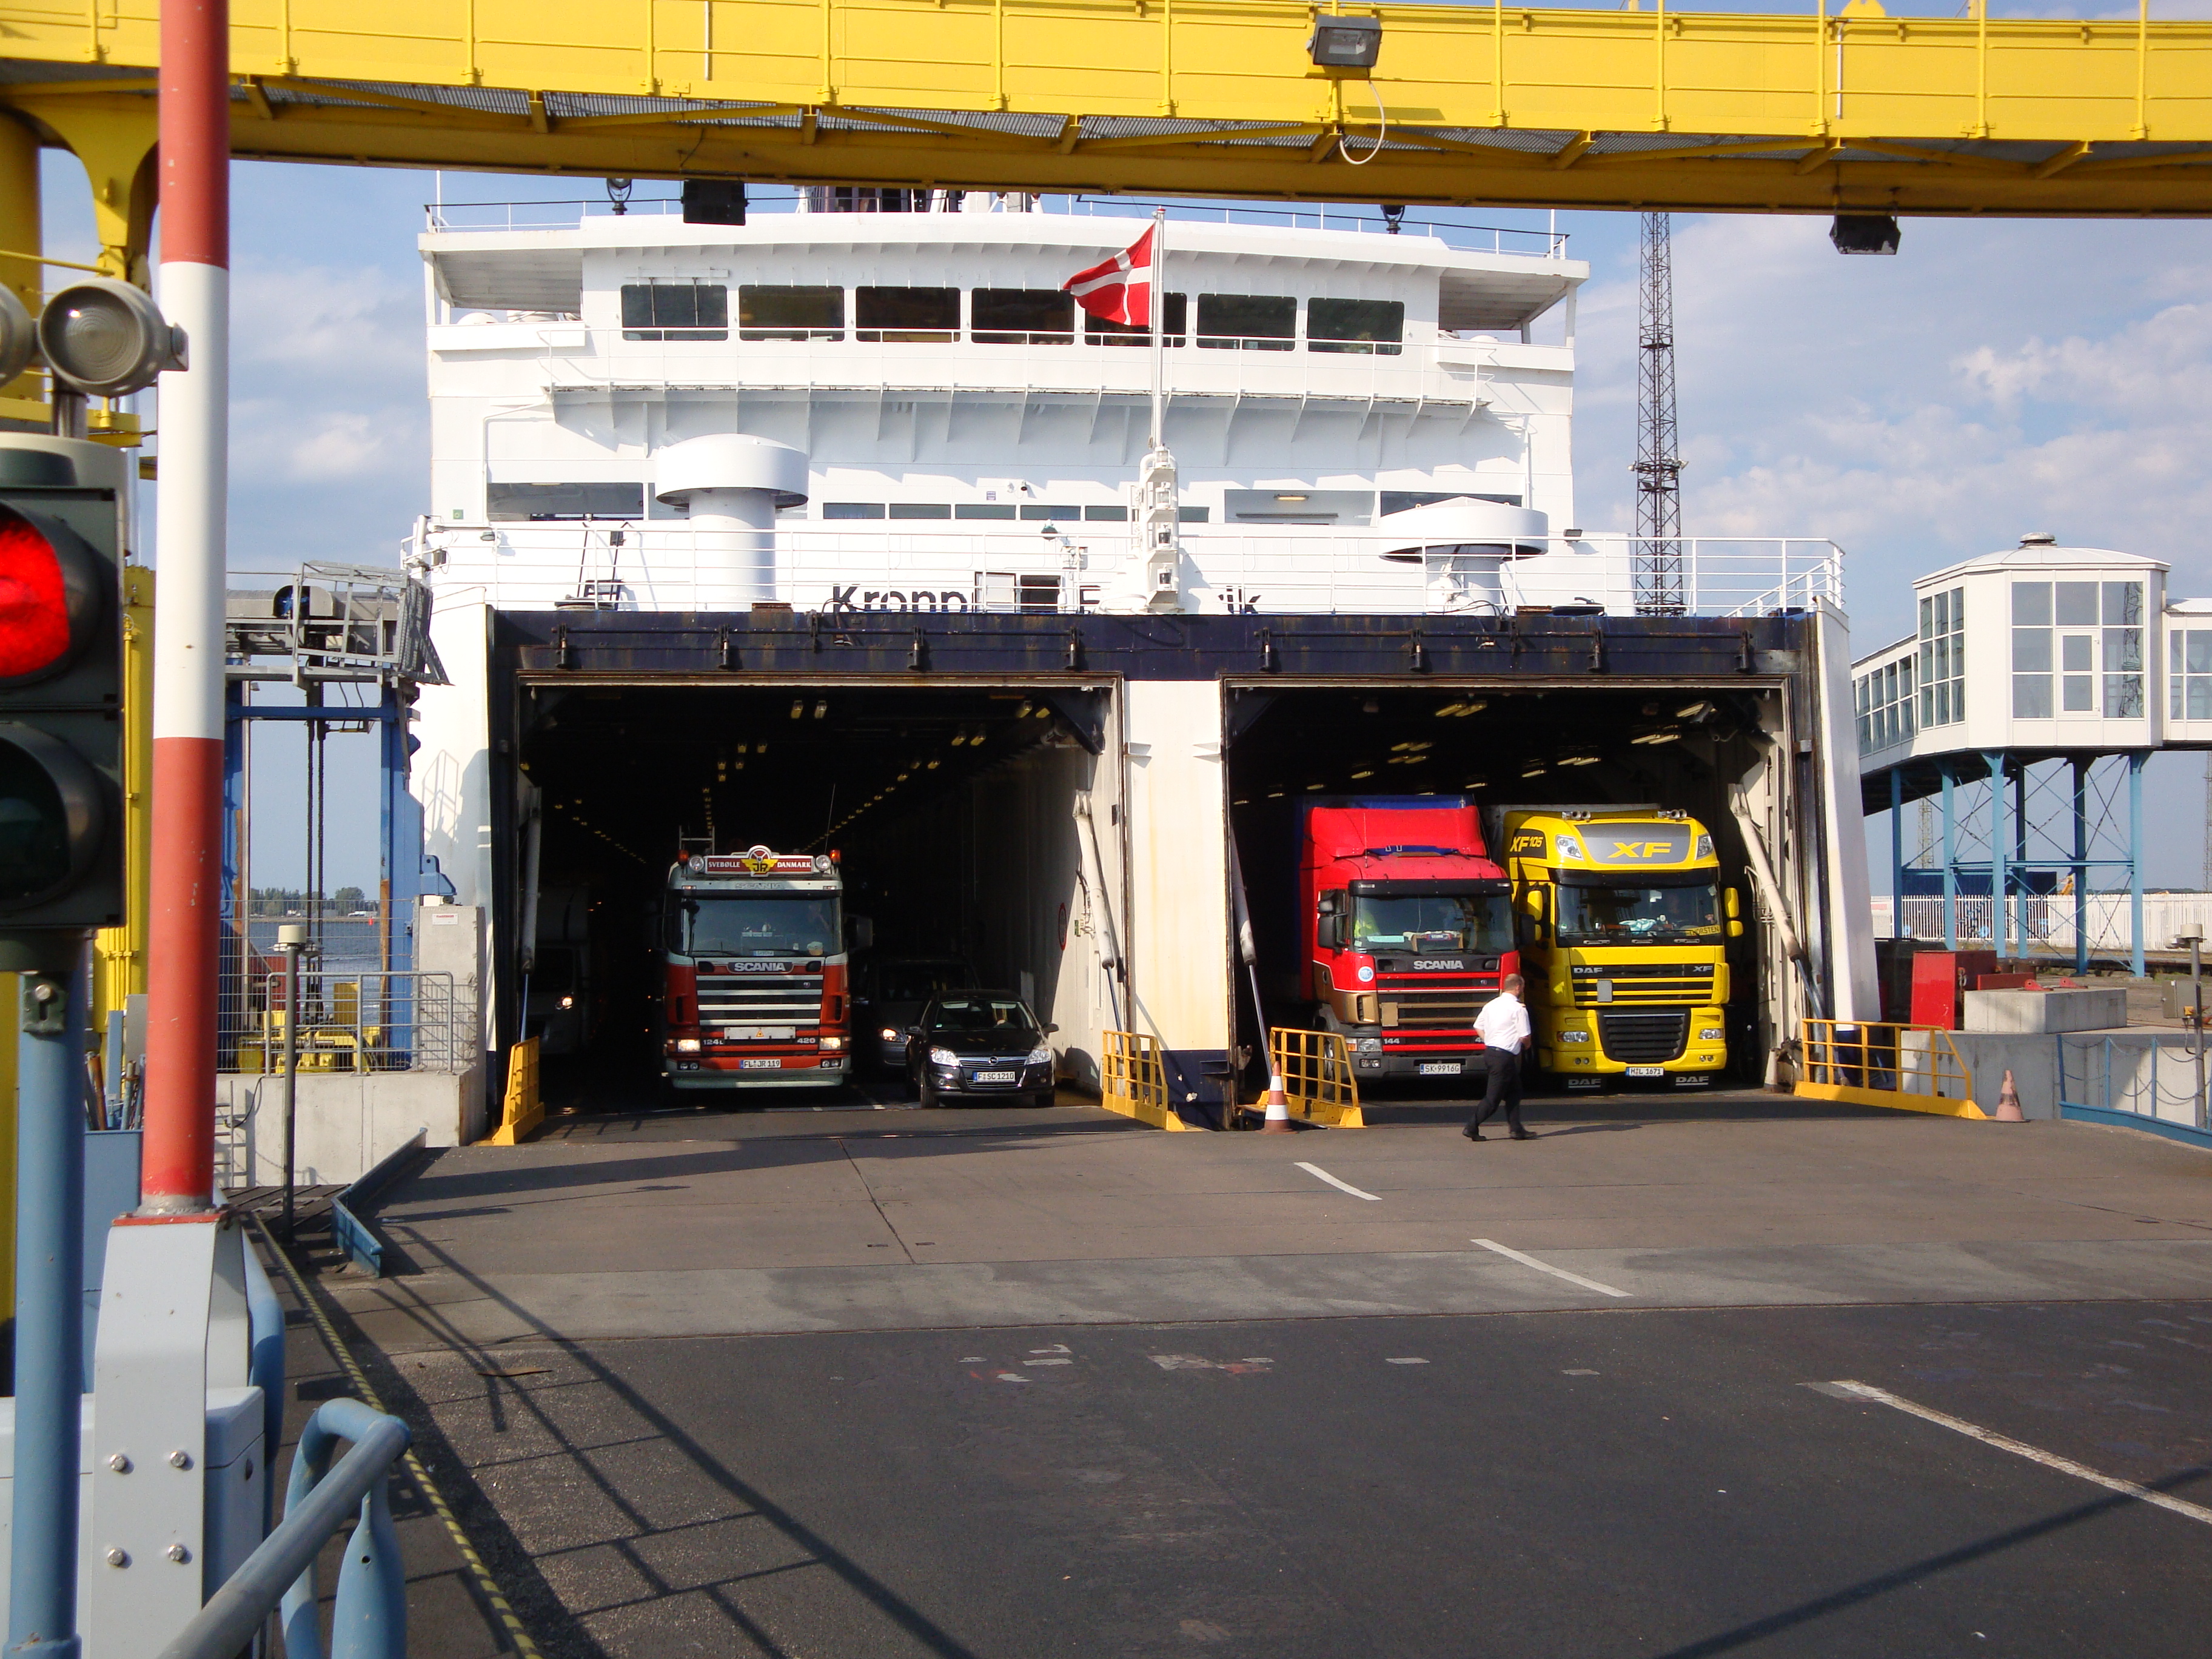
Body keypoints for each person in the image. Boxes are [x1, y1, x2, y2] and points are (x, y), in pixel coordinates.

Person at [1466, 973, 1533, 1142]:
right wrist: (1527, 1045)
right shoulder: (1518, 1009)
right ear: (1518, 987)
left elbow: (1478, 1026)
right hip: (1504, 1057)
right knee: (1493, 1099)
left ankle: (1516, 1129)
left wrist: (1489, 1040)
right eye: (1522, 988)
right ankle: (1472, 1127)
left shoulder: (1491, 1005)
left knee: (1515, 1091)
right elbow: (1525, 1035)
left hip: (1491, 1053)